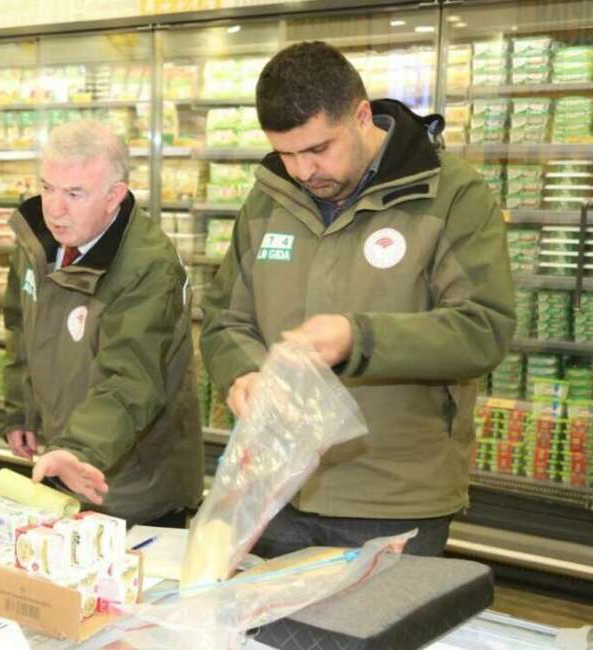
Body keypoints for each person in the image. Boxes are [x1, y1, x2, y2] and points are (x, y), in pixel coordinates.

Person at [200, 41, 515, 557]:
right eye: (286, 153)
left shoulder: (453, 195)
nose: (302, 171)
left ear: (361, 114)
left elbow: (483, 329)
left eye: (318, 149)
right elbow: (224, 319)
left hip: (393, 497)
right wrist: (242, 372)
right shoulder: (267, 200)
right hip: (273, 488)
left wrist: (358, 337)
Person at [3, 120, 205, 526]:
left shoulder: (148, 266)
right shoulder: (37, 242)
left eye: (75, 193)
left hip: (132, 485)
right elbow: (21, 326)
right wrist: (21, 409)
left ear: (115, 195)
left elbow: (130, 381)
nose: (54, 209)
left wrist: (78, 449)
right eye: (47, 188)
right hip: (67, 458)